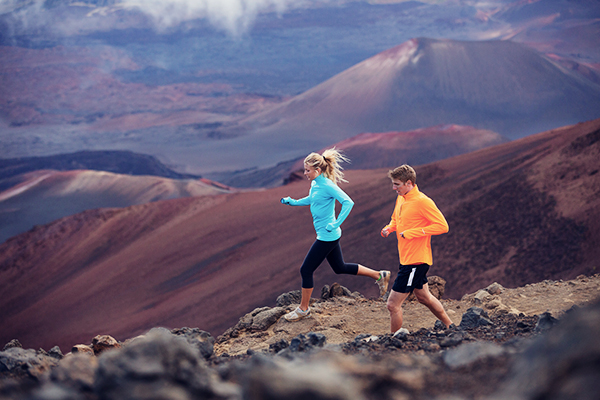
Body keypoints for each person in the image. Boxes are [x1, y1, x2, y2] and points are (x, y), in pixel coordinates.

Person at [281, 148, 391, 322]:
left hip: (327, 235)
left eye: (307, 170)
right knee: (339, 267)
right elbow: (312, 199)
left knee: (306, 269)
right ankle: (379, 275)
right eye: (305, 170)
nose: (305, 173)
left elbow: (348, 202)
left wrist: (336, 223)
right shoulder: (316, 183)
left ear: (317, 170)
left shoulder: (328, 185)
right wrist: (293, 202)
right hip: (328, 234)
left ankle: (303, 309)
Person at [380, 164, 453, 333]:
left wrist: (414, 232)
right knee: (424, 297)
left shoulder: (422, 201)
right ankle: (451, 327)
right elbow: (395, 219)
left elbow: (443, 226)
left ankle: (394, 339)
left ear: (409, 183)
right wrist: (389, 228)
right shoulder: (401, 198)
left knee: (392, 305)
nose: (394, 188)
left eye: (397, 184)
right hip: (406, 258)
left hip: (416, 260)